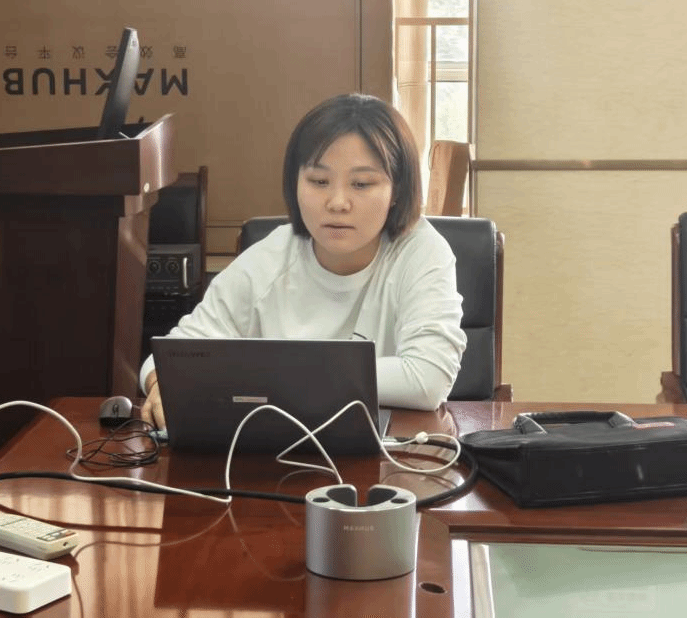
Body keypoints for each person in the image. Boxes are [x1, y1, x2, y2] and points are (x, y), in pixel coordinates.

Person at [140, 93, 467, 429]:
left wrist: (275, 375)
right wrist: (161, 385)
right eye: (319, 181)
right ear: (294, 182)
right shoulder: (270, 257)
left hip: (393, 450)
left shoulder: (421, 252)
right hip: (273, 448)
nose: (337, 203)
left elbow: (427, 379)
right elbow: (169, 358)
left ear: (396, 189)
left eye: (361, 184)